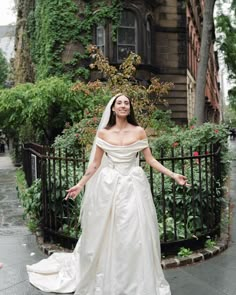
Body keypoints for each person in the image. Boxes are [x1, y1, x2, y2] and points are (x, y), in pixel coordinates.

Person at [27, 93, 189, 294]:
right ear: (113, 108)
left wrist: (173, 175)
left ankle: (134, 278)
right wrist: (80, 185)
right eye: (119, 103)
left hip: (133, 186)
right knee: (107, 231)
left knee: (134, 231)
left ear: (130, 108)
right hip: (110, 186)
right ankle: (108, 274)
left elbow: (150, 160)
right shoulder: (103, 133)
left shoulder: (139, 131)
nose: (123, 105)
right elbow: (95, 164)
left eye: (126, 103)